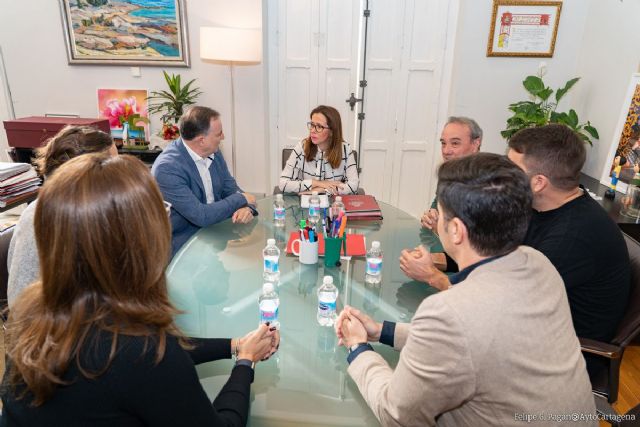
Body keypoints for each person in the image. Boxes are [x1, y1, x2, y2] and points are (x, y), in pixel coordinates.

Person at [1, 154, 279, 426]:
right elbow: (156, 361)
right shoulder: (140, 352)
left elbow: (156, 355)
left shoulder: (31, 314)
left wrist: (234, 345)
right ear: (139, 240)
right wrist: (245, 363)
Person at [335, 153, 596, 426]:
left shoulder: (448, 312)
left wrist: (358, 347)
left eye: (442, 215)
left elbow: (396, 414)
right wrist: (383, 331)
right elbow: (469, 344)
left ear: (456, 230)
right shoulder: (538, 263)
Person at [7, 125, 118, 307]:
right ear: (85, 174)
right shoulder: (47, 217)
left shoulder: (81, 206)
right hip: (50, 328)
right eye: (114, 165)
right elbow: (22, 304)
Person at [152, 106, 258, 257]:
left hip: (216, 237)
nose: (223, 137)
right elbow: (201, 215)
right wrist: (242, 198)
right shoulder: (167, 169)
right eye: (219, 134)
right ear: (201, 140)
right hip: (183, 251)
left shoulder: (213, 151)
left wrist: (246, 207)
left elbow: (231, 188)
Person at [279, 105, 359, 195]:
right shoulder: (301, 147)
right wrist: (316, 183)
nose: (313, 130)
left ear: (332, 131)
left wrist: (321, 190)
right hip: (304, 204)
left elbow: (353, 186)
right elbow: (283, 184)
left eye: (319, 126)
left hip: (334, 205)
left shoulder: (345, 150)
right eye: (312, 125)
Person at [420, 116, 482, 231]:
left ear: (475, 144)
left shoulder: (487, 183)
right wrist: (430, 217)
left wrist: (439, 228)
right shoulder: (447, 172)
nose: (446, 151)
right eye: (443, 143)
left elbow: (476, 239)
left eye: (455, 143)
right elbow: (437, 205)